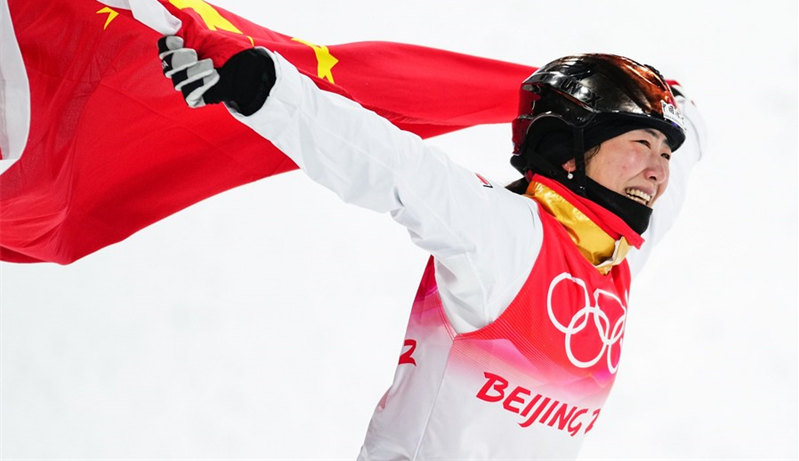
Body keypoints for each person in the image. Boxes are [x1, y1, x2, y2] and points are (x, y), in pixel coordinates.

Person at [157, 37, 705, 460]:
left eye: (665, 152)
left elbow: (687, 154)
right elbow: (396, 168)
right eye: (640, 143)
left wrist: (678, 107)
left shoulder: (616, 255)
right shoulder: (505, 234)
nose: (658, 171)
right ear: (568, 151)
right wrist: (270, 93)